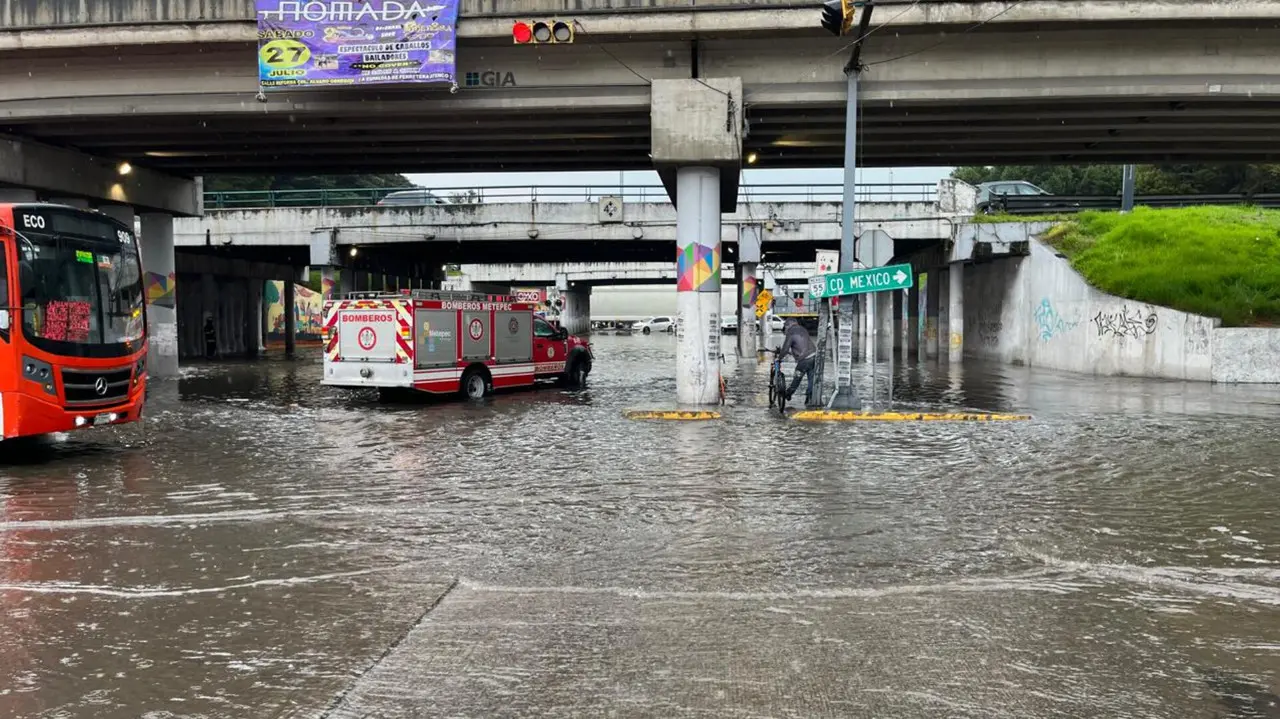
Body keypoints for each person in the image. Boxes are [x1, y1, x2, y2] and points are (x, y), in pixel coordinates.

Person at [776, 317, 817, 405]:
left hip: (804, 360)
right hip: (814, 356)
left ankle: (788, 393)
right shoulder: (802, 329)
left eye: (786, 327)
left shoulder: (791, 332)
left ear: (788, 325)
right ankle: (809, 398)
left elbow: (785, 348)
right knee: (811, 379)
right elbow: (801, 344)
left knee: (797, 377)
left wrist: (779, 358)